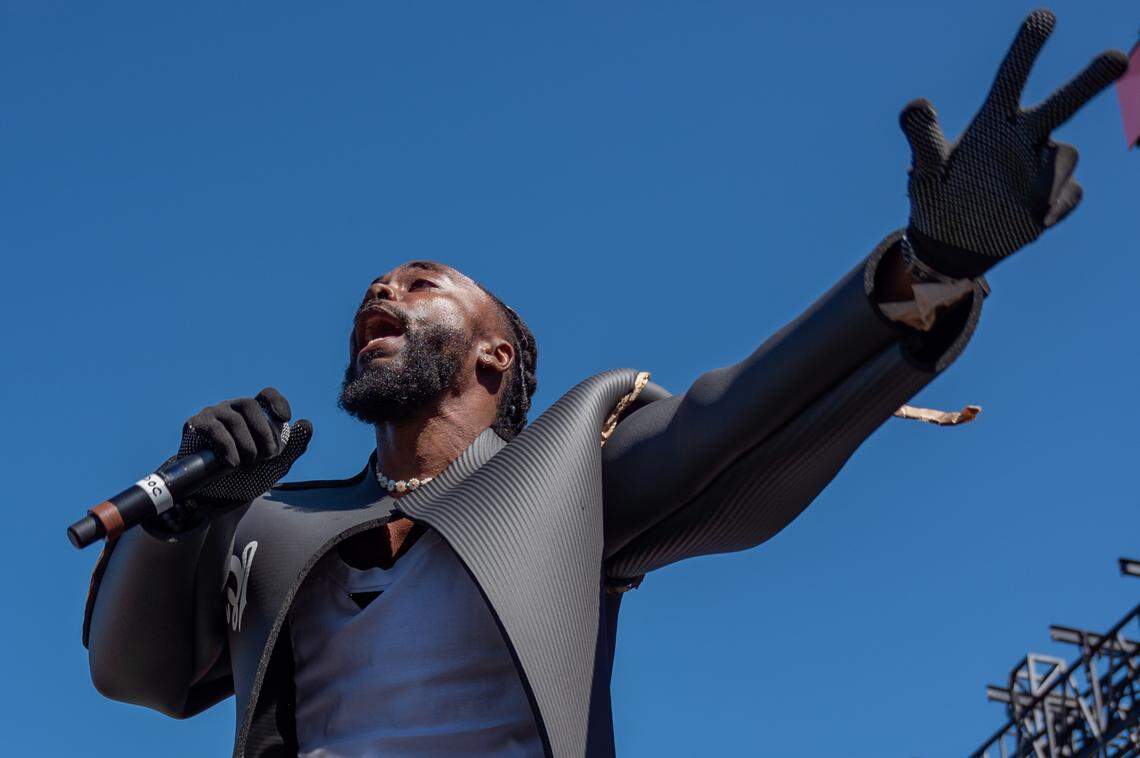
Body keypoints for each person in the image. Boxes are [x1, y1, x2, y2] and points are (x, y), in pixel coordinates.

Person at [82, 10, 1128, 757]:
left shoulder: (562, 481)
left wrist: (929, 264)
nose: (381, 293)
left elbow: (737, 417)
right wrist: (182, 517)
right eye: (372, 289)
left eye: (422, 285)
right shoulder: (278, 518)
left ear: (495, 356)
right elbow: (135, 675)